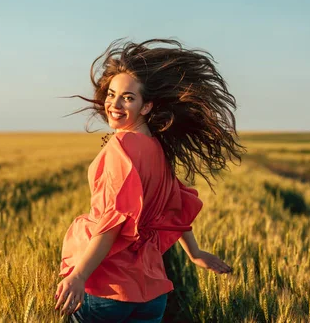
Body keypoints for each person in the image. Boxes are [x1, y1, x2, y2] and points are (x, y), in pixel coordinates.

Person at [55, 38, 246, 322]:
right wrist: (194, 253)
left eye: (128, 98)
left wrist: (79, 275)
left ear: (146, 107)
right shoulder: (157, 149)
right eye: (111, 94)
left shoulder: (120, 149)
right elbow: (175, 206)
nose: (114, 104)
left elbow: (113, 223)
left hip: (107, 289)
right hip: (151, 295)